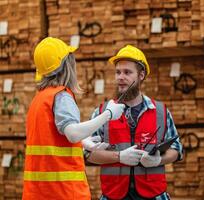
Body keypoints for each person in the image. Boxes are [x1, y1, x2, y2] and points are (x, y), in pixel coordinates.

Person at [22, 37, 125, 200]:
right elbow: (72, 133)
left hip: (38, 193)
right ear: (67, 65)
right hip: (64, 192)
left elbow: (53, 137)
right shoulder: (61, 96)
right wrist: (108, 114)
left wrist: (84, 143)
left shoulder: (39, 99)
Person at [84, 45, 183, 200]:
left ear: (141, 75)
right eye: (118, 72)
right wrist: (119, 157)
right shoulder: (102, 113)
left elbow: (176, 150)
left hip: (154, 195)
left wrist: (158, 160)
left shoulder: (161, 112)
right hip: (113, 195)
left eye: (127, 72)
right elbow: (88, 154)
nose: (120, 77)